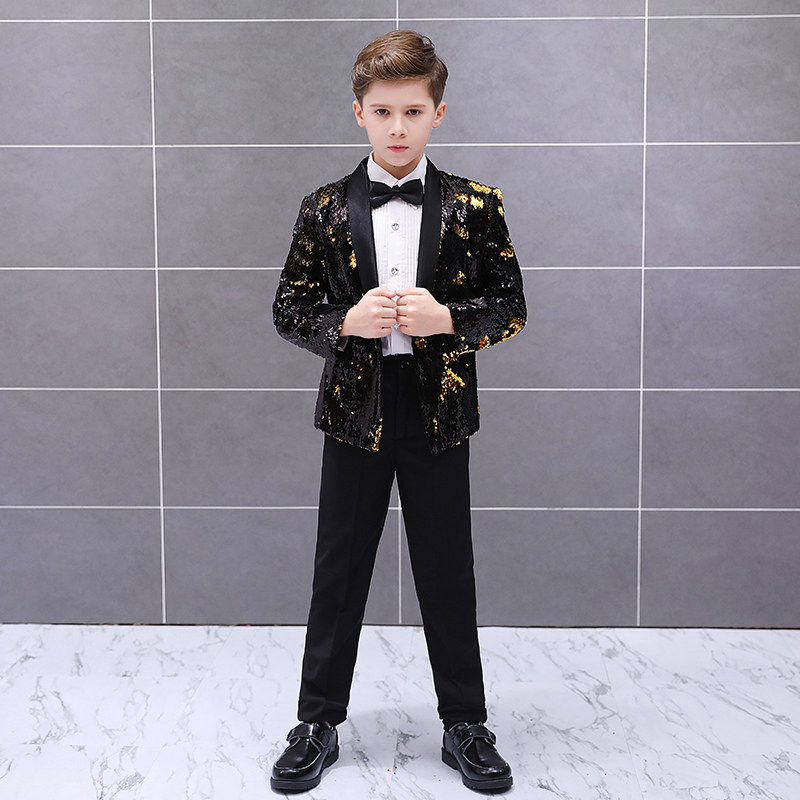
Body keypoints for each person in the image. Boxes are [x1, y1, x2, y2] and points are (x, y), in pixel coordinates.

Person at [270, 29, 526, 793]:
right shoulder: (322, 207)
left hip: (438, 416)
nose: (397, 127)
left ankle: (466, 724)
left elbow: (509, 306)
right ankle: (317, 722)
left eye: (413, 111)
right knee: (338, 572)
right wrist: (342, 323)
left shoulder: (477, 205)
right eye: (382, 111)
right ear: (359, 112)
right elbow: (289, 309)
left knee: (448, 571)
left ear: (438, 112)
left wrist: (446, 318)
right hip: (354, 417)